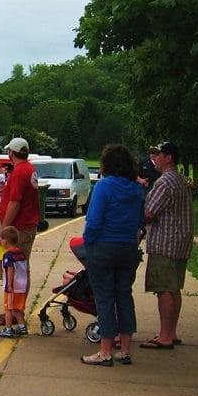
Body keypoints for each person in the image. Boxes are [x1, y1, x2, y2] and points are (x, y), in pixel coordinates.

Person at [80, 144, 144, 367]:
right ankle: (124, 350)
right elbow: (140, 220)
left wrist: (88, 241)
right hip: (128, 247)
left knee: (105, 298)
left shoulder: (103, 186)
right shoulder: (136, 189)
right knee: (124, 295)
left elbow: (93, 220)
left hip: (104, 246)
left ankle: (105, 350)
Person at [140, 142, 194, 350]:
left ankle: (164, 336)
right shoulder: (180, 180)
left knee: (163, 289)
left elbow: (149, 213)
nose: (154, 158)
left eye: (158, 154)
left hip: (164, 243)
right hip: (180, 242)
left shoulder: (164, 182)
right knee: (174, 288)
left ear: (168, 158)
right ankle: (171, 332)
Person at [0, 138, 40, 275]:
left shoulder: (19, 171)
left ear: (11, 153)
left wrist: (4, 228)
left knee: (18, 269)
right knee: (20, 267)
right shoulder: (29, 168)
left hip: (20, 228)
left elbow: (15, 202)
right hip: (25, 225)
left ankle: (17, 291)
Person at [0, 226, 29, 337]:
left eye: (1, 239)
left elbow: (10, 270)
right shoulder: (21, 253)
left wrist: (9, 285)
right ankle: (22, 326)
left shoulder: (8, 255)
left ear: (5, 241)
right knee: (17, 308)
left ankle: (8, 328)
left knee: (8, 308)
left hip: (12, 286)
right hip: (21, 286)